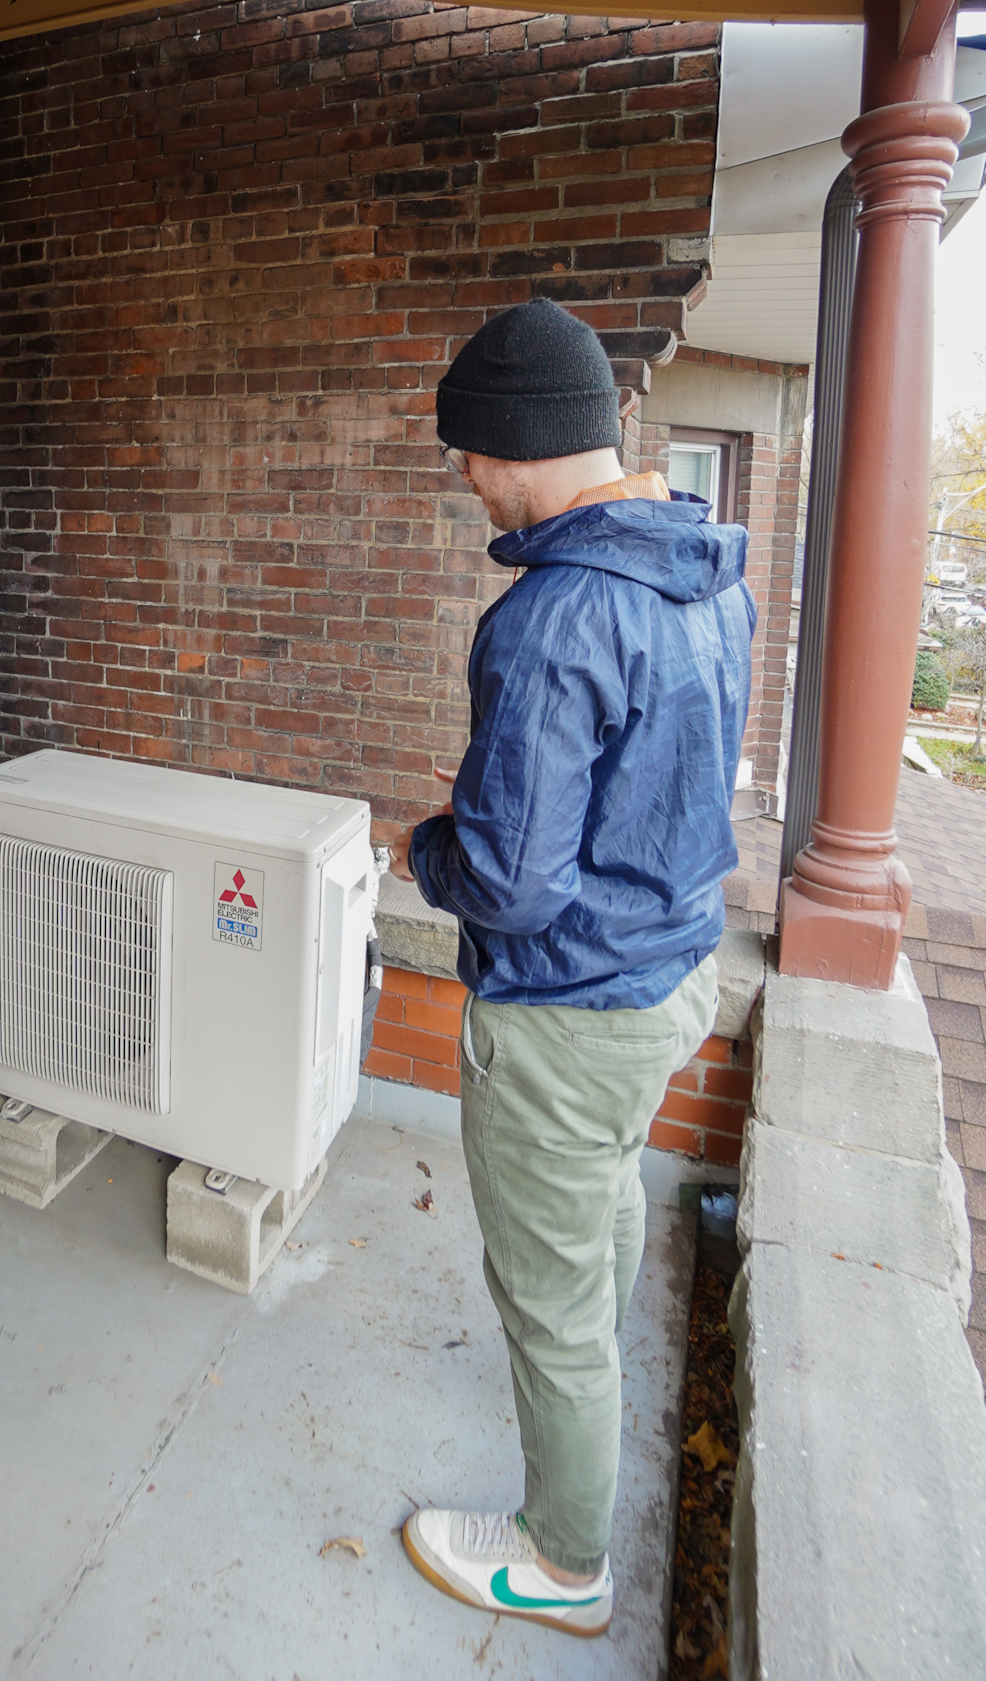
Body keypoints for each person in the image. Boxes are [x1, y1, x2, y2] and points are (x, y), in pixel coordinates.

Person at [389, 299, 754, 1637]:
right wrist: (503, 792)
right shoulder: (708, 571)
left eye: (470, 455)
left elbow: (508, 881)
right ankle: (588, 1395)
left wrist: (432, 843)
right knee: (602, 1203)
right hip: (670, 979)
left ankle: (562, 1560)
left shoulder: (547, 616)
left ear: (521, 442)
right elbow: (660, 771)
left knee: (544, 1304)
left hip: (565, 1012)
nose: (468, 481)